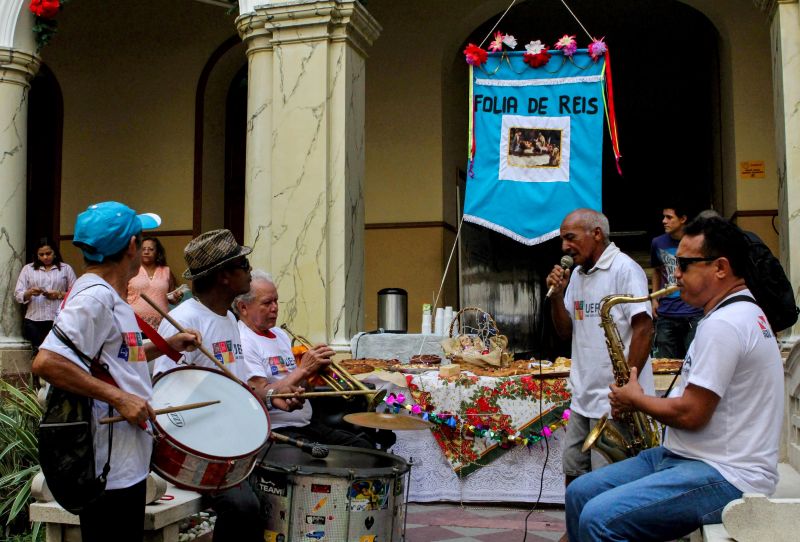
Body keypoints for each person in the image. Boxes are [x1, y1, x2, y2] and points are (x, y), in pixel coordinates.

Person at [565, 214, 784, 541]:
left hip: (726, 474)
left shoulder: (724, 324)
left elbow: (692, 414)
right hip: (687, 457)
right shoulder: (736, 313)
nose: (675, 274)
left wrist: (635, 398)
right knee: (579, 493)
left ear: (720, 268)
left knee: (599, 518)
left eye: (684, 265)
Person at [31, 202, 200, 542]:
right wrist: (119, 397)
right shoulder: (94, 298)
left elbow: (115, 358)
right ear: (132, 247)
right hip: (108, 465)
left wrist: (167, 345)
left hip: (127, 460)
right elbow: (46, 362)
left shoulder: (110, 297)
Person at [152, 229, 297, 542]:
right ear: (224, 277)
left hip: (231, 441)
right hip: (199, 449)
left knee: (281, 484)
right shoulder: (184, 320)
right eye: (243, 265)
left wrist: (272, 399)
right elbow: (162, 394)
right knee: (244, 506)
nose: (249, 271)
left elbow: (239, 385)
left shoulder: (230, 320)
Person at [546, 208, 654, 485]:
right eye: (562, 240)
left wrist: (628, 385)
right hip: (582, 396)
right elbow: (565, 331)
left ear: (596, 234)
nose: (564, 246)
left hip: (614, 399)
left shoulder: (625, 269)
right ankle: (576, 528)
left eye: (570, 237)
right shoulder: (578, 275)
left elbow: (644, 328)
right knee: (574, 471)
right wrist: (557, 297)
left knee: (607, 481)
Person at [235, 270, 375, 449]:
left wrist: (313, 374)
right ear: (243, 307)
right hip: (278, 430)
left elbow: (301, 386)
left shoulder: (280, 334)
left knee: (363, 447)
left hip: (307, 423)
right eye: (267, 303)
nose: (275, 307)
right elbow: (259, 393)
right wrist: (303, 369)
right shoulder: (243, 341)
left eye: (276, 300)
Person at [650, 203, 703, 359]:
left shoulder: (697, 242)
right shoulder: (658, 243)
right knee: (665, 363)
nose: (664, 221)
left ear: (683, 219)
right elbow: (657, 270)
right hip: (666, 311)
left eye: (669, 217)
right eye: (663, 217)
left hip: (693, 311)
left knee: (694, 360)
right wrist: (654, 298)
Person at [14, 239, 77, 352]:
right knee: (38, 353)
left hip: (58, 320)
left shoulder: (65, 269)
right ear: (37, 255)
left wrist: (59, 294)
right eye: (41, 254)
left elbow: (76, 294)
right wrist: (30, 292)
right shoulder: (28, 269)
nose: (45, 257)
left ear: (55, 253)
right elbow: (18, 294)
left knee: (56, 353)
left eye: (48, 253)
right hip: (34, 320)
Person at [126, 236, 185, 328]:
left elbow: (171, 298)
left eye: (151, 249)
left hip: (161, 323)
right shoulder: (131, 270)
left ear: (157, 252)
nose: (146, 252)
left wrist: (176, 297)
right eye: (143, 249)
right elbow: (121, 296)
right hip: (134, 321)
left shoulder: (166, 271)